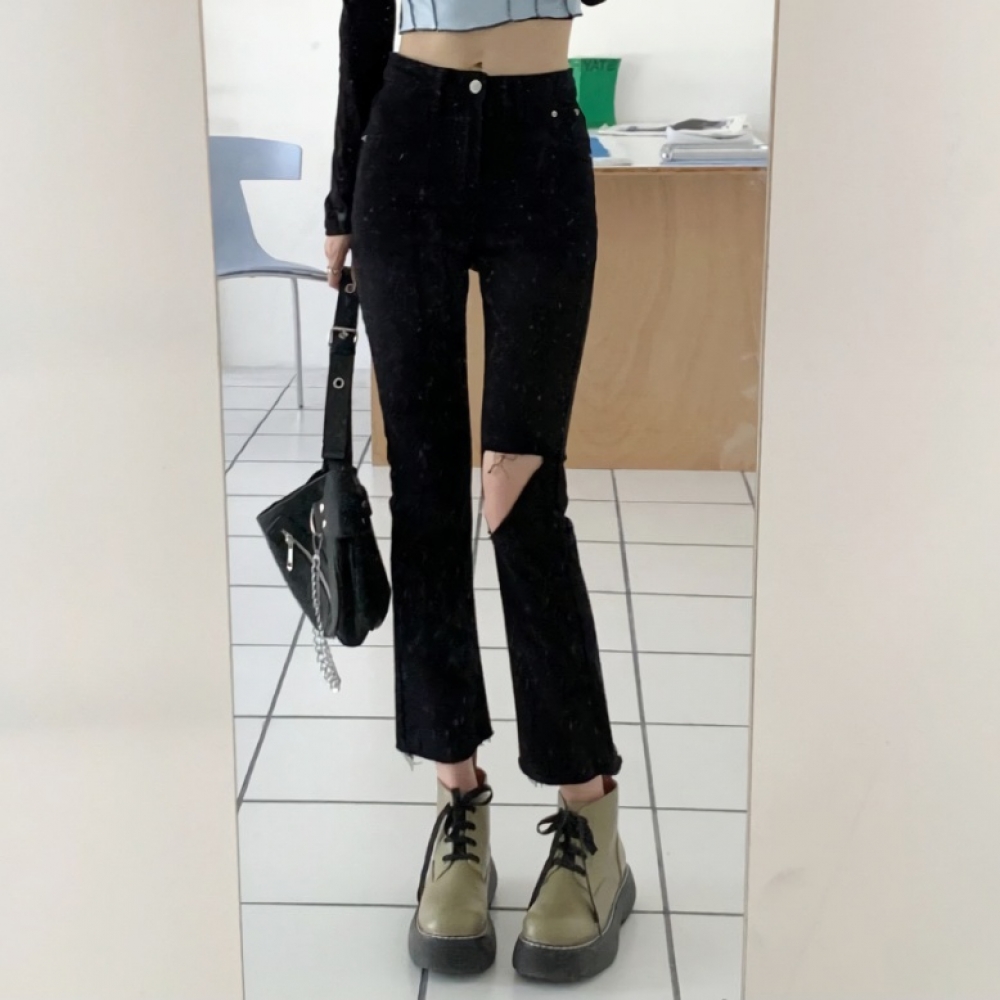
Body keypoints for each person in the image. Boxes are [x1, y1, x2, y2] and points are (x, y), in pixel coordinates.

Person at [323, 0, 633, 983]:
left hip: (538, 140)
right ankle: (457, 801)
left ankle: (590, 814)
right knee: (424, 492)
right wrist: (341, 198)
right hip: (405, 137)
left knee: (520, 491)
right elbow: (364, 18)